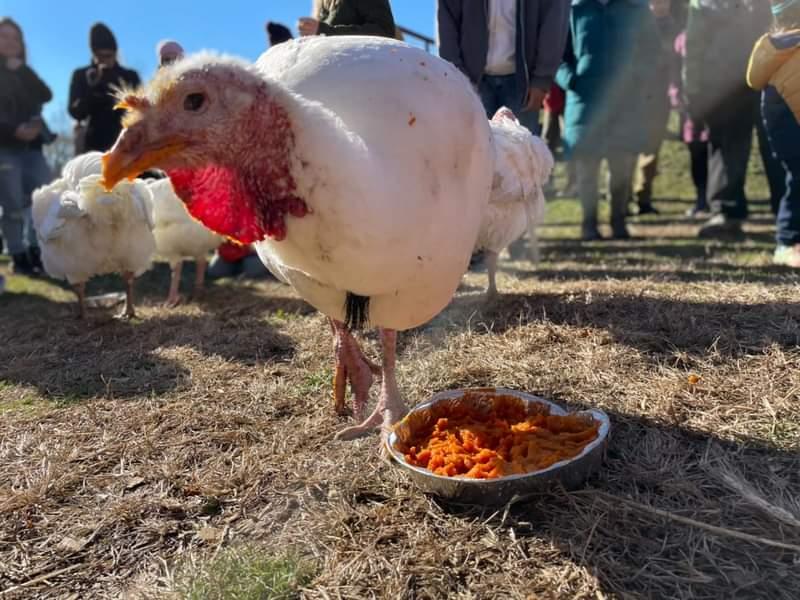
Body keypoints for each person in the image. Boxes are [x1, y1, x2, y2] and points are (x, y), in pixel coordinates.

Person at [556, 0, 662, 241]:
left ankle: (618, 221)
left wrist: (636, 79)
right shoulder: (575, 10)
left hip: (625, 102)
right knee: (587, 168)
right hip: (585, 103)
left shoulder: (636, 9)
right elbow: (558, 56)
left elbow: (652, 52)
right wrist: (572, 81)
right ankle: (589, 224)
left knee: (621, 166)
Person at [684, 0, 781, 239]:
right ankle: (726, 213)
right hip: (723, 84)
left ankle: (790, 213)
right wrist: (693, 90)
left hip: (773, 78)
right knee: (726, 147)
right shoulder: (704, 4)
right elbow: (694, 45)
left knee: (780, 145)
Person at [437, 0, 570, 135]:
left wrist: (542, 78)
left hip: (524, 85)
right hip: (471, 81)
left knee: (522, 146)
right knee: (472, 145)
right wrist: (457, 76)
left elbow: (553, 19)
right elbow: (446, 21)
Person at [747, 0, 800, 266]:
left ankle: (788, 241)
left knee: (796, 178)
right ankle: (787, 242)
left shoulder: (770, 47)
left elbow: (754, 79)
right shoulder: (787, 47)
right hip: (788, 118)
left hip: (780, 121)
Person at [0, 17, 53, 276]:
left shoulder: (25, 72)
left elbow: (46, 94)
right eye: (4, 36)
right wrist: (13, 130)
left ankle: (36, 250)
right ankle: (17, 254)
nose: (10, 42)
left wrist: (21, 70)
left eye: (15, 38)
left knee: (43, 200)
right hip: (5, 147)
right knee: (11, 204)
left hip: (33, 148)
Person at [633, 0, 678, 216]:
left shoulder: (674, 26)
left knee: (652, 148)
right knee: (629, 148)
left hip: (660, 95)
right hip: (636, 94)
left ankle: (643, 196)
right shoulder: (636, 23)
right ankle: (623, 198)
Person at [68, 22, 140, 153]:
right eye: (100, 56)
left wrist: (118, 85)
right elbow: (75, 113)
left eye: (109, 56)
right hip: (93, 147)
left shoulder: (130, 76)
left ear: (115, 53)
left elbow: (140, 111)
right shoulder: (81, 75)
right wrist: (93, 88)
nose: (105, 60)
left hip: (127, 145)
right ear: (93, 54)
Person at [672, 29, 709, 217]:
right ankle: (701, 199)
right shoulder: (681, 40)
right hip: (690, 109)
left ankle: (715, 199)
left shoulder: (717, 36)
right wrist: (677, 97)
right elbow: (674, 72)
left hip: (714, 105)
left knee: (714, 154)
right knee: (697, 154)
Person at [299, 0, 396, 39]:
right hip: (330, 69)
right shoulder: (319, 3)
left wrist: (323, 30)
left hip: (362, 69)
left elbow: (384, 30)